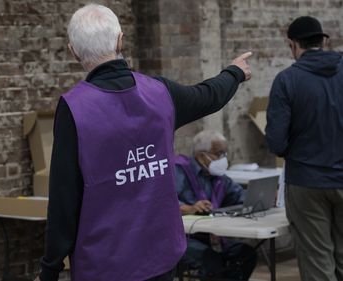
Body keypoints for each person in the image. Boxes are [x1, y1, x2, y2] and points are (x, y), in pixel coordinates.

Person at [36, 4, 252, 281]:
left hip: (105, 262)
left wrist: (50, 269)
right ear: (120, 41)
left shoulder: (74, 110)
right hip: (160, 256)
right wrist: (234, 71)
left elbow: (64, 199)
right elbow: (208, 96)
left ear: (73, 51)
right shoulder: (159, 93)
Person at [265, 16, 343, 281]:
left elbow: (276, 142)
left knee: (317, 263)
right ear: (323, 40)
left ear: (293, 45)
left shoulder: (287, 80)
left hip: (306, 182)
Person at [174, 130, 257, 280]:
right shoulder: (179, 170)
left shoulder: (219, 177)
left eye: (225, 154)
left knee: (246, 255)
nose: (223, 159)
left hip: (213, 236)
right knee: (212, 262)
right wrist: (190, 208)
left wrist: (260, 198)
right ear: (201, 156)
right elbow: (166, 201)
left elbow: (239, 196)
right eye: (219, 154)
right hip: (185, 238)